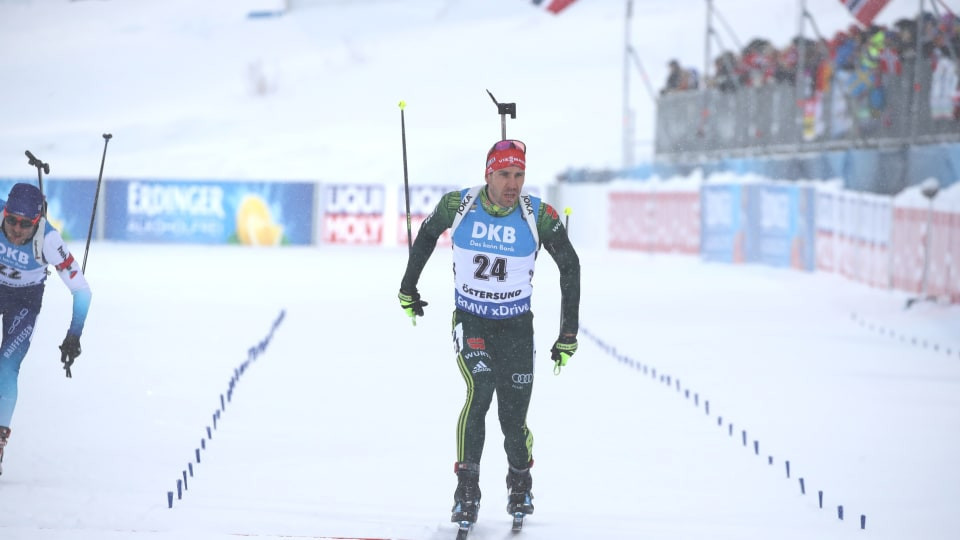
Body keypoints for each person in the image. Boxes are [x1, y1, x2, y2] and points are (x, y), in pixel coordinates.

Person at [397, 139, 580, 527]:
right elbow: (427, 236)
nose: (513, 183)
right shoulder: (458, 206)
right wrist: (408, 287)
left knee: (512, 421)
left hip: (516, 329)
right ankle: (467, 488)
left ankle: (519, 478)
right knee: (480, 391)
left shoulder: (536, 214)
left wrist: (568, 333)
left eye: (519, 174)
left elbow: (570, 265)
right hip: (472, 321)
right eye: (504, 174)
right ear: (488, 174)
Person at [0, 183, 91, 475]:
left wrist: (73, 334)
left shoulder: (49, 240)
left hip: (24, 301)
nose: (16, 229)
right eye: (11, 219)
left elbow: (82, 291)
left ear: (38, 221)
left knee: (6, 367)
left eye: (25, 224)